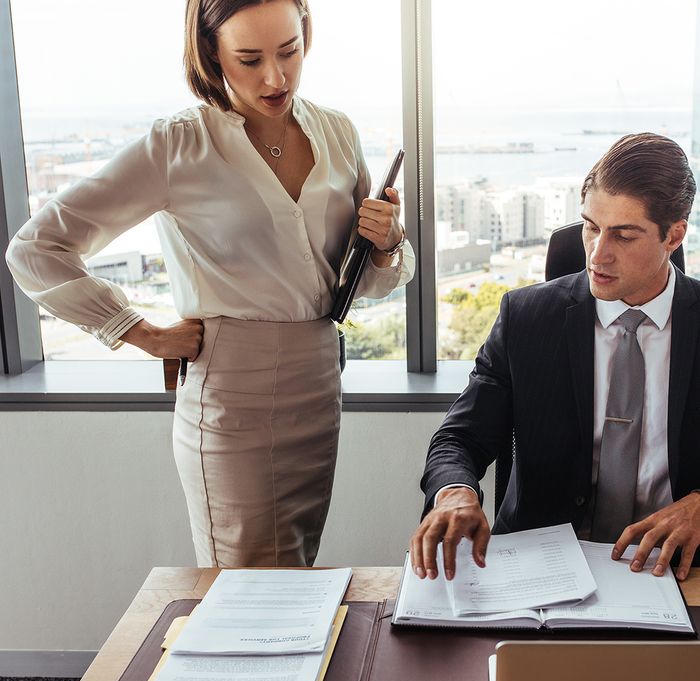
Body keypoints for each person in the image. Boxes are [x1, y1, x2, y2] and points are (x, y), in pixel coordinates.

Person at [5, 0, 414, 568]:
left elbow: (362, 281)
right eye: (249, 59)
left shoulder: (338, 133)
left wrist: (390, 239)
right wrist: (137, 330)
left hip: (319, 382)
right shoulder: (178, 145)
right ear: (210, 51)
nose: (275, 77)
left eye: (289, 51)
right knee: (246, 592)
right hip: (232, 398)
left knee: (295, 576)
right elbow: (35, 248)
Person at [410, 133, 699, 583]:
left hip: (675, 571)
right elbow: (459, 439)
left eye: (624, 235)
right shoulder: (527, 318)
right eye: (590, 227)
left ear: (674, 234)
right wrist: (455, 492)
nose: (597, 254)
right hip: (542, 572)